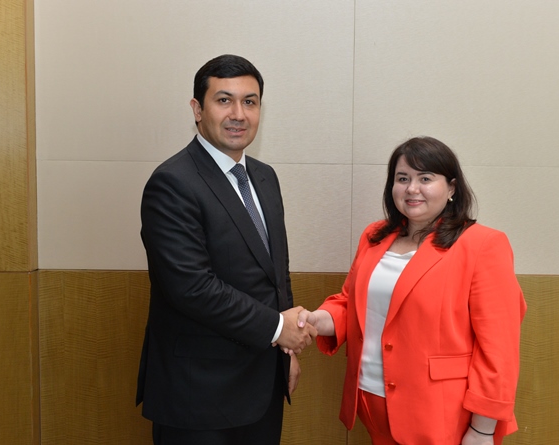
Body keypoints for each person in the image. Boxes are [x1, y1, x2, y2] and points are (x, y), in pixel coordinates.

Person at [297, 136, 527, 445]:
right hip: (371, 400)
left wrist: (483, 429)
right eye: (402, 178)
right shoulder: (375, 236)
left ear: (452, 188)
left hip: (442, 413)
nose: (412, 188)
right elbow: (350, 303)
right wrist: (317, 319)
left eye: (425, 179)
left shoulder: (482, 244)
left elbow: (498, 348)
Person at [136, 54, 316, 445]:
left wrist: (285, 353)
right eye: (224, 100)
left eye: (250, 102)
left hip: (262, 385)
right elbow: (191, 288)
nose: (238, 114)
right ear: (197, 109)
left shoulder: (265, 178)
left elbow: (276, 274)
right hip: (198, 394)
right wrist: (277, 329)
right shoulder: (173, 182)